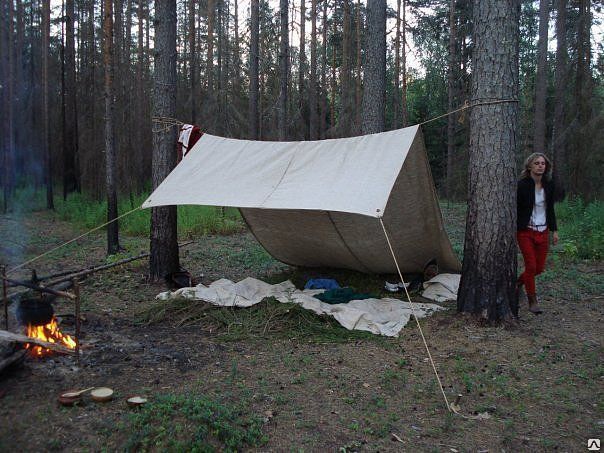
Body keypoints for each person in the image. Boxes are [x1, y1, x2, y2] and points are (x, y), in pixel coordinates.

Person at [516, 153, 559, 314]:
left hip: (543, 231)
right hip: (526, 231)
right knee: (531, 266)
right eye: (537, 163)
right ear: (529, 166)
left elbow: (551, 209)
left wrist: (554, 230)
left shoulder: (549, 185)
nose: (540, 166)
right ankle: (532, 301)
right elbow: (517, 208)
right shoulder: (522, 185)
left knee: (539, 268)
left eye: (543, 163)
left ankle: (518, 282)